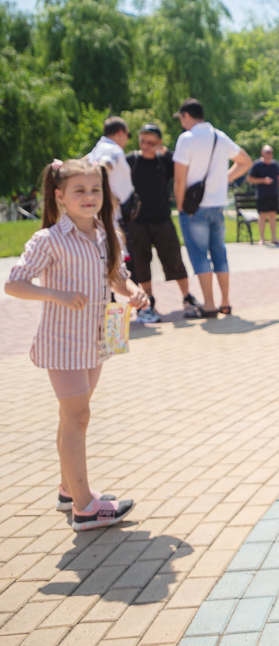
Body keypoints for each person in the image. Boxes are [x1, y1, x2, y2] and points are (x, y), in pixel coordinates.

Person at [4, 159, 146, 530]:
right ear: (59, 196)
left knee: (73, 416)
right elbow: (14, 283)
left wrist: (134, 292)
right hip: (63, 341)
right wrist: (57, 294)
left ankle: (69, 490)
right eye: (79, 190)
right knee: (78, 416)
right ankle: (84, 507)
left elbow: (117, 277)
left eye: (95, 189)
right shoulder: (49, 239)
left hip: (96, 339)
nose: (89, 196)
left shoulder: (106, 233)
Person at [172, 98, 252, 318]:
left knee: (199, 256)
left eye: (181, 118)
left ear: (187, 115)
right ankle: (225, 302)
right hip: (217, 206)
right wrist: (225, 178)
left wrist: (180, 206)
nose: (181, 123)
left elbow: (179, 180)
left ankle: (209, 304)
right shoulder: (219, 136)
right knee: (219, 254)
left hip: (194, 208)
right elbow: (245, 162)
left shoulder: (186, 139)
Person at [125, 124, 195, 323]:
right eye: (142, 141)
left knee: (174, 260)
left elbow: (182, 169)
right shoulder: (132, 160)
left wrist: (165, 152)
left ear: (159, 142)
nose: (145, 145)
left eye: (150, 142)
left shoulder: (164, 161)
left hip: (162, 219)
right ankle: (148, 302)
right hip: (137, 222)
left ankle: (187, 297)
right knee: (141, 264)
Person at [88, 117, 135, 221]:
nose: (127, 139)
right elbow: (104, 164)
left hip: (104, 215)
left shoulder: (97, 149)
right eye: (128, 135)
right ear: (120, 133)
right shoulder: (114, 149)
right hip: (113, 218)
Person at [246, 145, 279, 246]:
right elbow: (249, 179)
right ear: (262, 153)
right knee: (262, 216)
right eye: (267, 152)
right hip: (262, 195)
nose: (269, 154)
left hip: (273, 194)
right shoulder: (257, 165)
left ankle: (274, 238)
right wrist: (263, 180)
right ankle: (262, 239)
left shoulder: (275, 165)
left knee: (272, 215)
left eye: (271, 152)